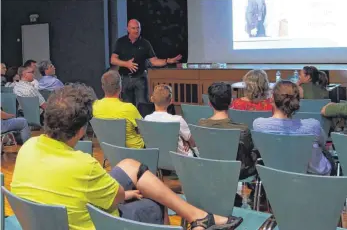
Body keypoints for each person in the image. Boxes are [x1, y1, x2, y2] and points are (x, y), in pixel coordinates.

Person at [11, 83, 243, 230]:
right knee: (153, 202)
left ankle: (199, 217)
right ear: (82, 129)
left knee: (129, 165)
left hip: (49, 218)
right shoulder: (83, 165)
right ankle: (200, 219)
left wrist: (122, 192)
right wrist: (125, 193)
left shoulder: (28, 147)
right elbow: (116, 198)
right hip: (92, 223)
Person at [253, 80, 332, 175]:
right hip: (314, 181)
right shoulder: (313, 126)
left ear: (272, 99)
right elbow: (323, 143)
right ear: (297, 101)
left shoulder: (259, 125)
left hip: (275, 179)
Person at [110, 19, 182, 106]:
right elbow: (113, 60)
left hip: (140, 79)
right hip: (125, 79)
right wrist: (126, 64)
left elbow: (154, 61)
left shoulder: (145, 43)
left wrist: (167, 61)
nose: (136, 31)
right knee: (127, 106)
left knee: (142, 105)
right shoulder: (120, 42)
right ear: (128, 29)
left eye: (138, 28)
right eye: (133, 28)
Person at [199, 82, 257, 179]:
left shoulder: (201, 125)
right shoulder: (243, 130)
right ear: (231, 102)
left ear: (209, 103)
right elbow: (248, 150)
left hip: (210, 169)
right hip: (237, 173)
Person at [93, 70, 144, 148]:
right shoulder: (129, 108)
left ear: (102, 87)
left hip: (110, 151)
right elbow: (144, 129)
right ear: (120, 87)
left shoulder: (95, 106)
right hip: (135, 152)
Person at [144, 84, 198, 157]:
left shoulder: (146, 119)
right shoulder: (178, 120)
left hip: (156, 158)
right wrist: (186, 142)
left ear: (152, 99)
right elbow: (192, 142)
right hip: (180, 161)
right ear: (171, 101)